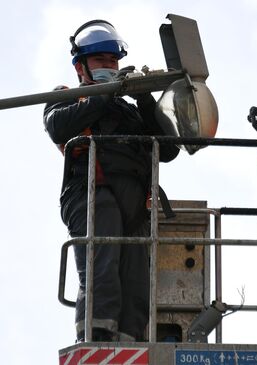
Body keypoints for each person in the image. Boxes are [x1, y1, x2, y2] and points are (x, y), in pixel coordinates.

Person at [43, 20, 179, 342]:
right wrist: (103, 95)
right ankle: (97, 338)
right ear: (81, 66)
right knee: (101, 270)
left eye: (113, 61)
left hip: (134, 204)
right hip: (92, 193)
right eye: (101, 61)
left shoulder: (129, 112)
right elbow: (58, 127)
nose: (110, 66)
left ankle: (130, 342)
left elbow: (169, 150)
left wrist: (145, 101)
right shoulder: (67, 98)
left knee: (136, 282)